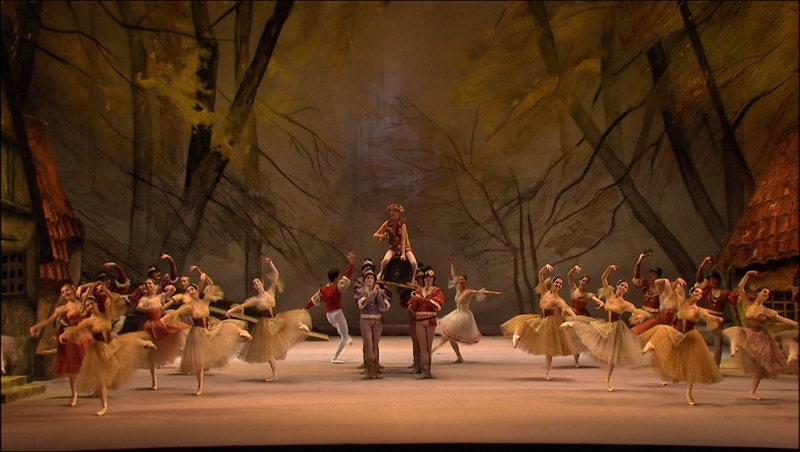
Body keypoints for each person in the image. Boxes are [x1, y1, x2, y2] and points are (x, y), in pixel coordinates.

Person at [59, 282, 155, 416]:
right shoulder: (89, 321)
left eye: (91, 304)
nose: (90, 307)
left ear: (96, 303)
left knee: (124, 350)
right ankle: (104, 406)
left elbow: (112, 298)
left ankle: (143, 343)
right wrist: (64, 335)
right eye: (87, 305)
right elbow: (75, 329)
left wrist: (103, 288)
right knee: (102, 380)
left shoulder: (106, 314)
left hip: (111, 343)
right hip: (99, 349)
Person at [561, 264, 648, 392]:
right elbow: (603, 278)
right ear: (617, 286)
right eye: (622, 285)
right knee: (590, 326)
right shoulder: (609, 295)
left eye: (626, 287)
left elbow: (636, 311)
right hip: (605, 325)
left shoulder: (625, 304)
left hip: (616, 328)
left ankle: (608, 380)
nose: (623, 288)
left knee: (612, 356)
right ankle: (572, 324)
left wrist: (639, 316)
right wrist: (610, 268)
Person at [162, 272, 251, 396]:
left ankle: (242, 333)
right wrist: (163, 319)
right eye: (188, 290)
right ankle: (200, 387)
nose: (190, 291)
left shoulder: (205, 302)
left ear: (197, 291)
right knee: (200, 363)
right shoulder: (189, 307)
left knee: (226, 326)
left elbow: (211, 284)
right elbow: (175, 313)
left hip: (207, 329)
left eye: (192, 289)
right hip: (197, 333)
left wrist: (204, 276)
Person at [226, 257, 314, 382]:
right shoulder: (256, 300)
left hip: (276, 319)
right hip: (266, 324)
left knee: (292, 320)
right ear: (254, 287)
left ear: (262, 283)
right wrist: (230, 311)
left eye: (258, 282)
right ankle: (275, 374)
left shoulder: (271, 291)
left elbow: (276, 275)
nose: (257, 284)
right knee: (270, 350)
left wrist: (271, 263)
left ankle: (300, 327)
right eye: (254, 283)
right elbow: (242, 306)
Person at [640, 281, 724, 405]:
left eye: (701, 293)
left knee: (691, 366)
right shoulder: (682, 303)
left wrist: (717, 318)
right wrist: (677, 281)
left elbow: (708, 316)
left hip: (690, 337)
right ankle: (648, 347)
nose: (699, 294)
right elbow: (672, 291)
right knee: (662, 329)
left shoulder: (698, 310)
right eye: (697, 292)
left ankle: (689, 393)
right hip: (678, 334)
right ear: (691, 293)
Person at [722, 271, 798, 400]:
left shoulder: (766, 311)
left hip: (762, 338)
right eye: (764, 292)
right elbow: (740, 287)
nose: (766, 295)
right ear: (757, 293)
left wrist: (796, 324)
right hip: (749, 334)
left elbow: (782, 319)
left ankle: (752, 391)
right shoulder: (748, 304)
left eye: (768, 294)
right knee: (735, 331)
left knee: (761, 368)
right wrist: (747, 274)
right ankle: (734, 348)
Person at [502, 264, 579, 380]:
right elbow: (540, 274)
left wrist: (574, 316)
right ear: (552, 283)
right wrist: (545, 267)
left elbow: (566, 308)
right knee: (522, 320)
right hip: (541, 318)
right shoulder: (545, 292)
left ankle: (548, 372)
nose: (558, 285)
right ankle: (517, 335)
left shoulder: (558, 299)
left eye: (560, 284)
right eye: (557, 282)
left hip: (551, 322)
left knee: (549, 349)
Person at [29, 283, 93, 407]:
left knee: (90, 363)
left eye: (67, 290)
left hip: (85, 335)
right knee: (72, 368)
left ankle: (97, 388)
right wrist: (35, 327)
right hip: (71, 337)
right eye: (63, 292)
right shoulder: (64, 308)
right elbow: (50, 320)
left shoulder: (82, 300)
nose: (65, 293)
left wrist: (81, 288)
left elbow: (93, 286)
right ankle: (74, 394)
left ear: (73, 289)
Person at [433, 255, 504, 364]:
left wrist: (495, 293)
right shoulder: (457, 288)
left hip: (464, 316)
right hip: (456, 314)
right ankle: (458, 357)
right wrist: (451, 263)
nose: (460, 281)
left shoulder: (468, 291)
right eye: (459, 279)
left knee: (449, 336)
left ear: (465, 281)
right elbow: (453, 275)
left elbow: (481, 292)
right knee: (450, 337)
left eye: (462, 279)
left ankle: (433, 350)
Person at [136, 279, 190, 390]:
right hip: (151, 326)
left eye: (150, 283)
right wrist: (149, 308)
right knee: (152, 355)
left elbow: (173, 290)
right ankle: (154, 381)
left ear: (155, 286)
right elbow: (138, 307)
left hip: (161, 324)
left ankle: (183, 350)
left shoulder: (160, 297)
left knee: (179, 329)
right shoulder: (144, 299)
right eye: (146, 284)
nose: (148, 285)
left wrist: (170, 287)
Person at [305, 252, 356, 364]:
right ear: (336, 278)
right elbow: (347, 277)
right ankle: (335, 357)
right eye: (339, 276)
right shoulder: (337, 287)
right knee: (344, 336)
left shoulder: (323, 290)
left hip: (329, 315)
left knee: (340, 329)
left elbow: (313, 301)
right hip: (337, 313)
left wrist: (304, 309)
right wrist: (351, 263)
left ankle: (346, 336)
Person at [695, 256, 738, 366]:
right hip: (705, 316)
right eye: (710, 280)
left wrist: (755, 297)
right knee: (689, 315)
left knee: (718, 342)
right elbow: (699, 278)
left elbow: (737, 297)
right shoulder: (707, 290)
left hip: (717, 319)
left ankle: (715, 366)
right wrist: (704, 262)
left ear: (718, 281)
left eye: (714, 279)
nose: (711, 281)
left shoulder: (724, 293)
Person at [353, 267, 391, 379]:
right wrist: (372, 294)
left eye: (371, 278)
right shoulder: (360, 292)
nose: (370, 280)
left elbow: (384, 307)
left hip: (377, 319)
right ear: (364, 280)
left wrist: (378, 295)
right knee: (369, 345)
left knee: (375, 345)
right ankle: (370, 370)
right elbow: (362, 304)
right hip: (366, 319)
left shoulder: (381, 292)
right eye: (368, 278)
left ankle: (375, 369)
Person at [408, 268, 445, 379]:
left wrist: (421, 299)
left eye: (430, 278)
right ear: (423, 280)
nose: (428, 280)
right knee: (423, 347)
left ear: (433, 279)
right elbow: (412, 309)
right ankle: (424, 370)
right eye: (426, 278)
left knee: (429, 347)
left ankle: (428, 370)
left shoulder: (437, 291)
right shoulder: (419, 291)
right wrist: (415, 299)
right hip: (419, 321)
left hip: (430, 320)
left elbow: (437, 306)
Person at [566, 265, 605, 367]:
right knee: (571, 337)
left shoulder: (587, 294)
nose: (584, 283)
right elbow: (569, 276)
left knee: (579, 338)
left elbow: (596, 299)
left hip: (582, 316)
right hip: (572, 313)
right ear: (580, 281)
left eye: (586, 282)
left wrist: (601, 303)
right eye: (583, 281)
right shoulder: (573, 289)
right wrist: (574, 268)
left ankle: (576, 361)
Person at [373, 204, 418, 283]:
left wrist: (403, 254)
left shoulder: (402, 224)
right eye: (391, 211)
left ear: (398, 213)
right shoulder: (387, 223)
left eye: (394, 211)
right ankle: (381, 273)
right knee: (385, 260)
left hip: (404, 247)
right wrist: (383, 236)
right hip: (393, 247)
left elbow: (403, 239)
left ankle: (413, 277)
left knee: (414, 263)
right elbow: (375, 235)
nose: (392, 213)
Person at [631, 250, 662, 333]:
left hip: (655, 317)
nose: (651, 275)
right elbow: (636, 275)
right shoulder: (646, 286)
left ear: (658, 277)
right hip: (644, 314)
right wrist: (639, 260)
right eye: (650, 274)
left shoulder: (662, 290)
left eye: (653, 274)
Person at [403, 267, 426, 373]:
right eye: (419, 278)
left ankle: (424, 365)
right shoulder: (410, 289)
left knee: (424, 343)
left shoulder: (429, 290)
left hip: (424, 318)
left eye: (422, 278)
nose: (421, 280)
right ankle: (416, 363)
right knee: (415, 342)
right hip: (414, 318)